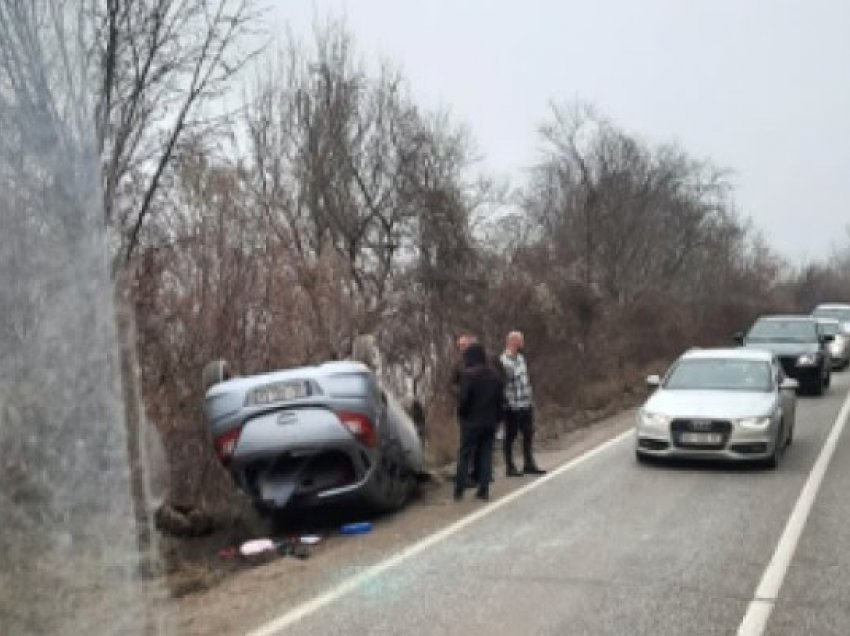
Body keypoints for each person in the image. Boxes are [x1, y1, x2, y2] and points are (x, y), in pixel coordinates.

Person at [455, 343, 504, 501]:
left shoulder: (468, 376)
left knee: (465, 455)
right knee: (486, 454)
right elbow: (500, 400)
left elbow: (464, 400)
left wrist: (461, 415)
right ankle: (484, 489)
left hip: (471, 422)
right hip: (490, 422)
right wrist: (498, 419)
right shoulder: (495, 376)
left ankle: (459, 489)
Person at [500, 331, 546, 476]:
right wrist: (511, 404)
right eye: (520, 341)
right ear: (513, 342)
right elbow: (505, 385)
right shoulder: (503, 361)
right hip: (512, 405)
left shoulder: (521, 358)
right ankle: (510, 466)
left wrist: (530, 400)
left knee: (528, 433)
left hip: (526, 403)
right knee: (511, 435)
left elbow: (525, 381)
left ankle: (529, 463)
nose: (523, 343)